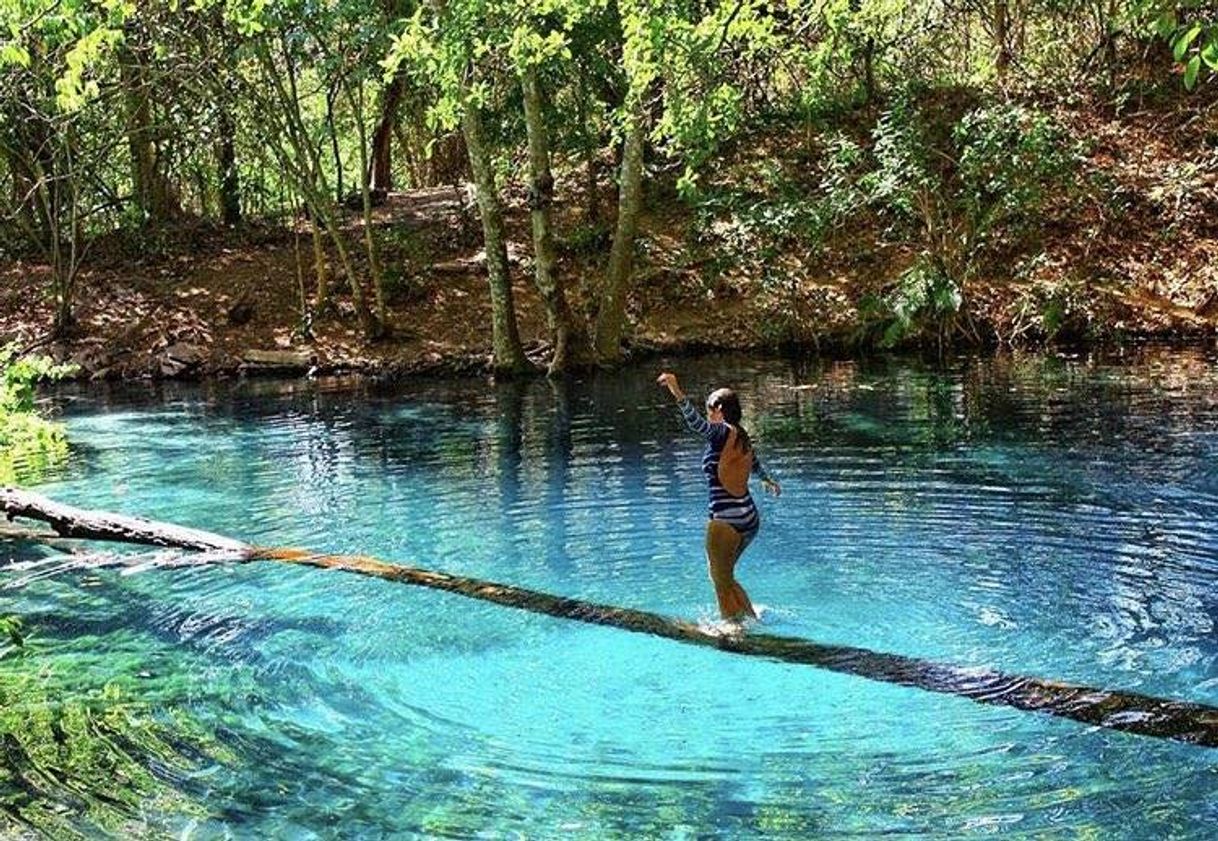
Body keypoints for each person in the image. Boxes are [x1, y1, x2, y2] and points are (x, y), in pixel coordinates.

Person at [657, 371, 781, 622]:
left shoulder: (722, 431)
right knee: (725, 577)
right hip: (749, 518)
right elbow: (754, 464)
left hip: (726, 519)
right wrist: (768, 480)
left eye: (709, 409)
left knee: (720, 582)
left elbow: (696, 424)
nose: (707, 415)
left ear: (720, 409)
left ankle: (732, 632)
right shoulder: (741, 435)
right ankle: (751, 620)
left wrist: (676, 391)